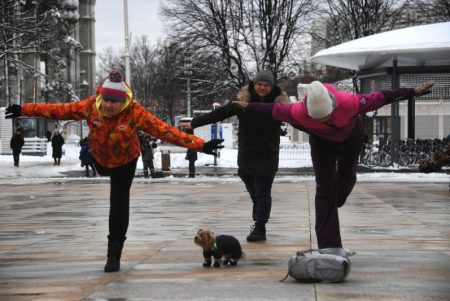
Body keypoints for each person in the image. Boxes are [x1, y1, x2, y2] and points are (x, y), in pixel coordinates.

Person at [5, 70, 223, 273]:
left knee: (118, 202)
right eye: (106, 100)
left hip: (125, 160)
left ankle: (114, 251)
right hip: (100, 157)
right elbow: (58, 110)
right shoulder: (91, 106)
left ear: (124, 101)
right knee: (99, 164)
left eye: (114, 102)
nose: (108, 106)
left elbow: (165, 131)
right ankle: (98, 166)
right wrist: (24, 109)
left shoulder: (135, 112)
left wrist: (200, 145)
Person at [234, 80, 434, 253]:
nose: (321, 120)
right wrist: (244, 105)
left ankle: (338, 196)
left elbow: (381, 96)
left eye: (325, 116)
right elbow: (267, 109)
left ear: (333, 106)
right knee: (324, 191)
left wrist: (412, 92)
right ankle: (329, 246)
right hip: (322, 143)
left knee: (347, 175)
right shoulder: (296, 111)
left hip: (351, 136)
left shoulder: (350, 103)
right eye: (316, 118)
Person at [179, 70, 289, 242]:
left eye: (266, 85)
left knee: (263, 192)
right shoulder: (242, 103)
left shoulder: (279, 106)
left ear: (271, 87)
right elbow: (219, 114)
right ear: (254, 84)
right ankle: (258, 207)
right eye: (259, 84)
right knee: (247, 179)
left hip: (268, 153)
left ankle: (260, 227)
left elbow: (298, 118)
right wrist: (194, 122)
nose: (262, 87)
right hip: (246, 153)